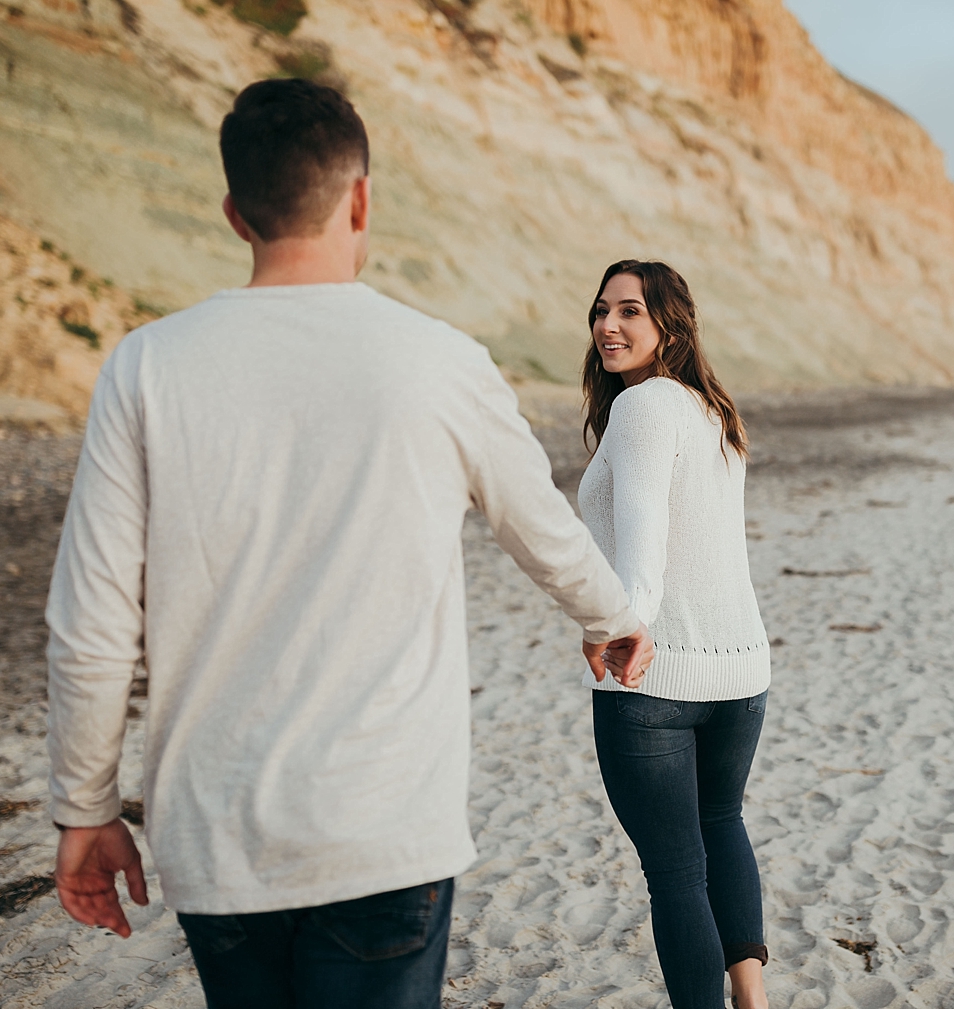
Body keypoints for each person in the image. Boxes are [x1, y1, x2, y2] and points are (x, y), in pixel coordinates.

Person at [45, 79, 653, 1009]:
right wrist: (612, 615)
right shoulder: (440, 359)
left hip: (217, 835)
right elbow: (544, 531)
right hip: (383, 827)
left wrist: (85, 808)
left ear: (234, 212)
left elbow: (91, 621)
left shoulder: (147, 366)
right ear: (361, 198)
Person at [577, 260, 773, 1009]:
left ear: (669, 324)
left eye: (630, 310)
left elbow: (646, 534)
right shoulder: (711, 409)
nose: (608, 325)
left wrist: (626, 623)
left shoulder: (644, 408)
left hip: (653, 676)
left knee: (675, 872)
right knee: (722, 821)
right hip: (741, 671)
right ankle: (752, 1000)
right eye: (600, 310)